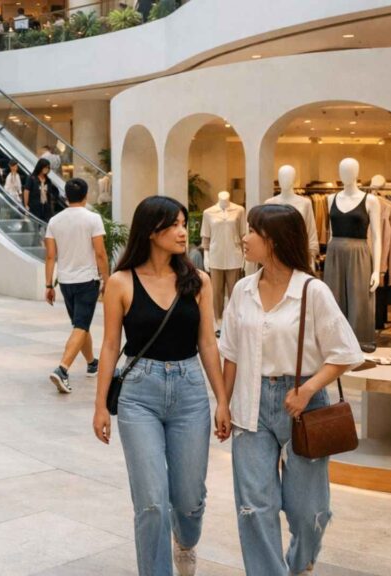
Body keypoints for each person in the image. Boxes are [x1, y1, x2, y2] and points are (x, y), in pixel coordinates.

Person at [219, 204, 363, 576]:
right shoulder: (242, 289)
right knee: (255, 508)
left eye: (252, 231)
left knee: (307, 509)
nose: (244, 238)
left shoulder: (312, 291)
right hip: (250, 402)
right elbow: (231, 353)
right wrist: (223, 402)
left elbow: (345, 353)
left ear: (275, 240)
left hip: (305, 403)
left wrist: (308, 388)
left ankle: (301, 563)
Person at [92, 196, 230, 576]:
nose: (184, 231)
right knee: (151, 501)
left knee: (188, 499)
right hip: (139, 395)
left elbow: (207, 343)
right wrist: (101, 404)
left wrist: (221, 399)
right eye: (175, 225)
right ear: (152, 232)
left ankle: (185, 542)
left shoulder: (198, 281)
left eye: (185, 223)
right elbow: (108, 347)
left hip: (189, 392)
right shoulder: (120, 283)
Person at [44, 179, 109, 393]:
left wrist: (48, 285)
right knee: (81, 326)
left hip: (65, 281)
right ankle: (62, 369)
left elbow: (50, 256)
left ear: (66, 196)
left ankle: (92, 363)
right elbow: (100, 253)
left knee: (80, 325)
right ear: (86, 195)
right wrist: (107, 279)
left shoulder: (54, 221)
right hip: (87, 280)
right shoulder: (93, 219)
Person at [23, 158, 59, 222]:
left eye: (48, 168)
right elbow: (26, 191)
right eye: (45, 167)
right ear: (40, 167)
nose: (46, 169)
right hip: (34, 206)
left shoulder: (48, 180)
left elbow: (50, 194)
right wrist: (26, 205)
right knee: (35, 223)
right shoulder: (32, 178)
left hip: (46, 207)